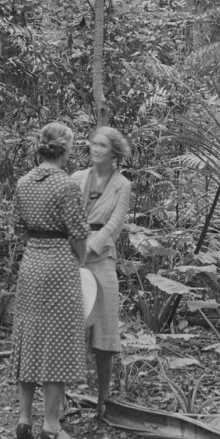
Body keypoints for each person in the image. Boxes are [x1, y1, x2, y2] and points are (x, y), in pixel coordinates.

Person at [11, 121, 88, 439]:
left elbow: (17, 227)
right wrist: (79, 262)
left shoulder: (23, 182)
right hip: (59, 264)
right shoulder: (67, 185)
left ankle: (24, 420)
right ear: (65, 148)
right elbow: (79, 234)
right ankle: (52, 425)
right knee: (57, 340)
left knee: (29, 337)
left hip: (31, 264)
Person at [70, 126, 133, 418]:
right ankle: (57, 402)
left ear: (114, 152)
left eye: (102, 145)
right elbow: (65, 217)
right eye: (93, 144)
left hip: (102, 257)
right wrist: (74, 251)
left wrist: (88, 251)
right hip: (70, 256)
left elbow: (114, 225)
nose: (95, 149)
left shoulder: (123, 184)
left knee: (105, 333)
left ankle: (103, 401)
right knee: (70, 329)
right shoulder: (75, 178)